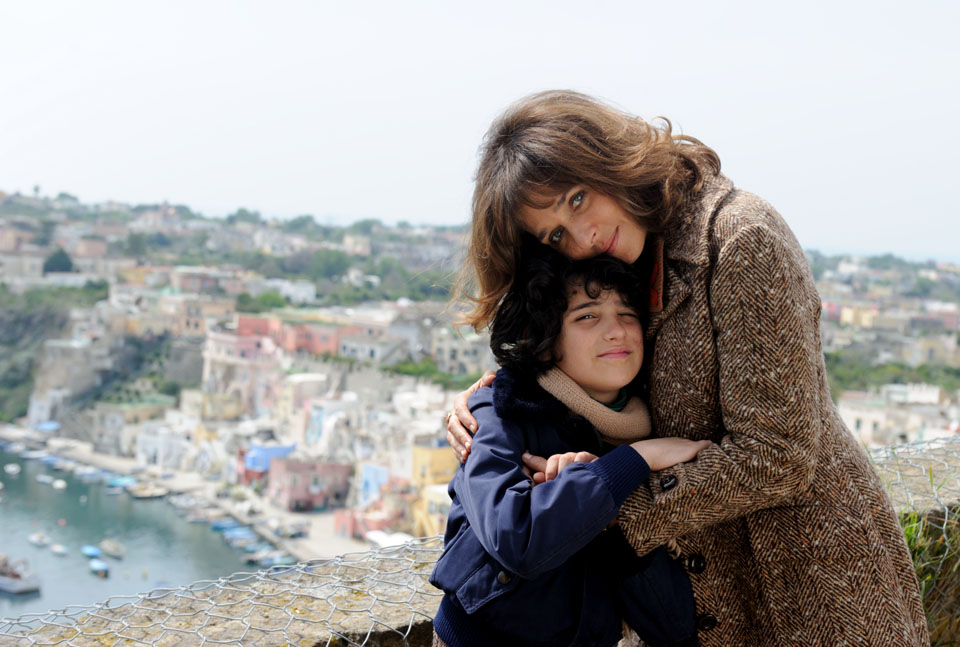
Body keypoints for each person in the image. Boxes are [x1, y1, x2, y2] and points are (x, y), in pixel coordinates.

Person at [445, 90, 928, 646]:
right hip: (708, 603)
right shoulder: (627, 255)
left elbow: (779, 456)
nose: (582, 239)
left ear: (608, 160)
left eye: (577, 199)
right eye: (555, 235)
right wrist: (493, 399)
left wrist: (604, 501)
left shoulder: (739, 237)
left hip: (813, 580)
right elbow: (581, 357)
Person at [430, 248, 712, 647]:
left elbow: (671, 625)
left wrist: (609, 516)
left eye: (627, 314)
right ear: (544, 341)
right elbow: (516, 538)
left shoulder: (653, 427)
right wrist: (632, 462)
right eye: (587, 316)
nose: (616, 331)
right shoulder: (499, 411)